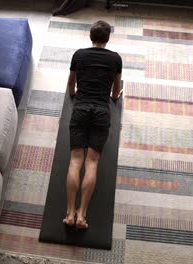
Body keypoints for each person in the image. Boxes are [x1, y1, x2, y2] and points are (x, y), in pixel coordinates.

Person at [63, 20, 122, 229]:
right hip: (101, 112)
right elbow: (115, 92)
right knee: (92, 162)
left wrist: (72, 95)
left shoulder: (78, 54)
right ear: (107, 39)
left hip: (80, 109)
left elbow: (72, 83)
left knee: (75, 161)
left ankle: (69, 214)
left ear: (90, 36)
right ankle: (82, 215)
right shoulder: (116, 58)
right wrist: (117, 95)